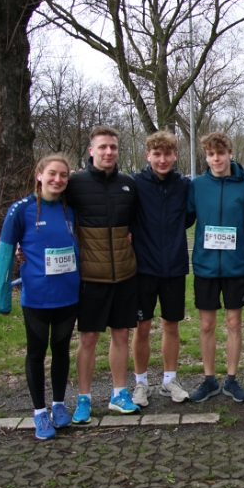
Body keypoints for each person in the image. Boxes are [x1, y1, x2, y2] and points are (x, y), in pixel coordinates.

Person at [0, 155, 79, 440]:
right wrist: (2, 297)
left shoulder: (70, 209)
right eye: (52, 173)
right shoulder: (21, 210)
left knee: (61, 350)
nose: (58, 179)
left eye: (64, 175)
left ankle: (58, 404)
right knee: (36, 352)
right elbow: (5, 253)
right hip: (37, 297)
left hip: (68, 295)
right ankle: (39, 412)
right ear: (39, 175)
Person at [65, 126, 140, 423]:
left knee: (121, 335)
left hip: (124, 274)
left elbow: (135, 222)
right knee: (88, 339)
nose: (109, 152)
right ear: (91, 151)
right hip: (90, 276)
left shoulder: (128, 184)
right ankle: (83, 399)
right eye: (103, 147)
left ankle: (119, 394)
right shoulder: (75, 184)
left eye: (113, 147)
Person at [187, 131, 244, 402]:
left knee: (234, 323)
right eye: (210, 154)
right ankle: (209, 380)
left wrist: (236, 234)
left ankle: (231, 379)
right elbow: (186, 218)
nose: (216, 158)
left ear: (230, 153)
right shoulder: (197, 185)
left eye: (220, 153)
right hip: (205, 266)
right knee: (206, 325)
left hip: (235, 266)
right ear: (206, 157)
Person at [129, 131, 196, 407]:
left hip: (174, 266)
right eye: (157, 154)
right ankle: (141, 383)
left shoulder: (184, 185)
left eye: (168, 154)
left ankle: (169, 381)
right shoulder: (135, 183)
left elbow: (189, 218)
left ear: (175, 155)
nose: (162, 159)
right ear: (148, 155)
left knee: (171, 325)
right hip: (142, 268)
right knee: (142, 326)